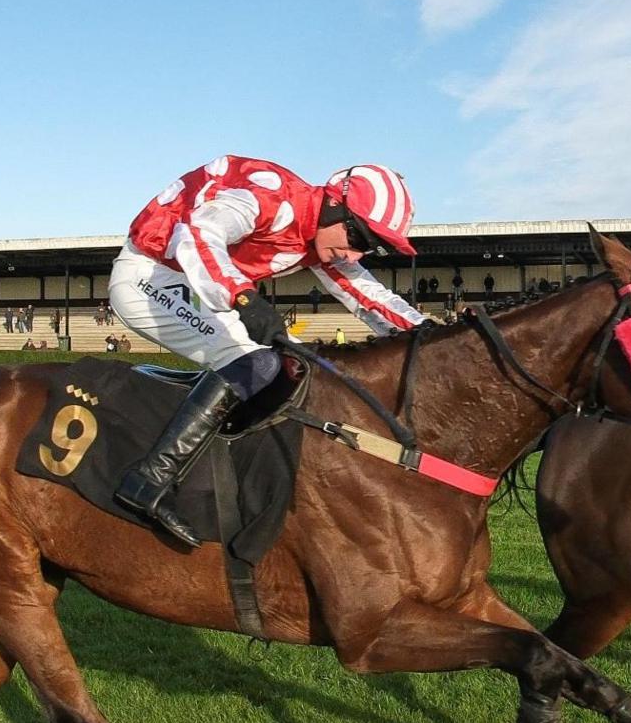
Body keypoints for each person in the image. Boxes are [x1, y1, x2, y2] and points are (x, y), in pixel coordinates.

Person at [108, 156, 425, 547]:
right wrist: (243, 297)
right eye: (359, 238)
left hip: (196, 284)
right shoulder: (273, 198)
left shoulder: (322, 236)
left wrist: (436, 337)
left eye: (371, 248)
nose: (357, 255)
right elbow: (197, 232)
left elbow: (371, 298)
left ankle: (201, 450)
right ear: (333, 206)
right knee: (257, 364)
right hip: (150, 274)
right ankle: (149, 481)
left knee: (284, 373)